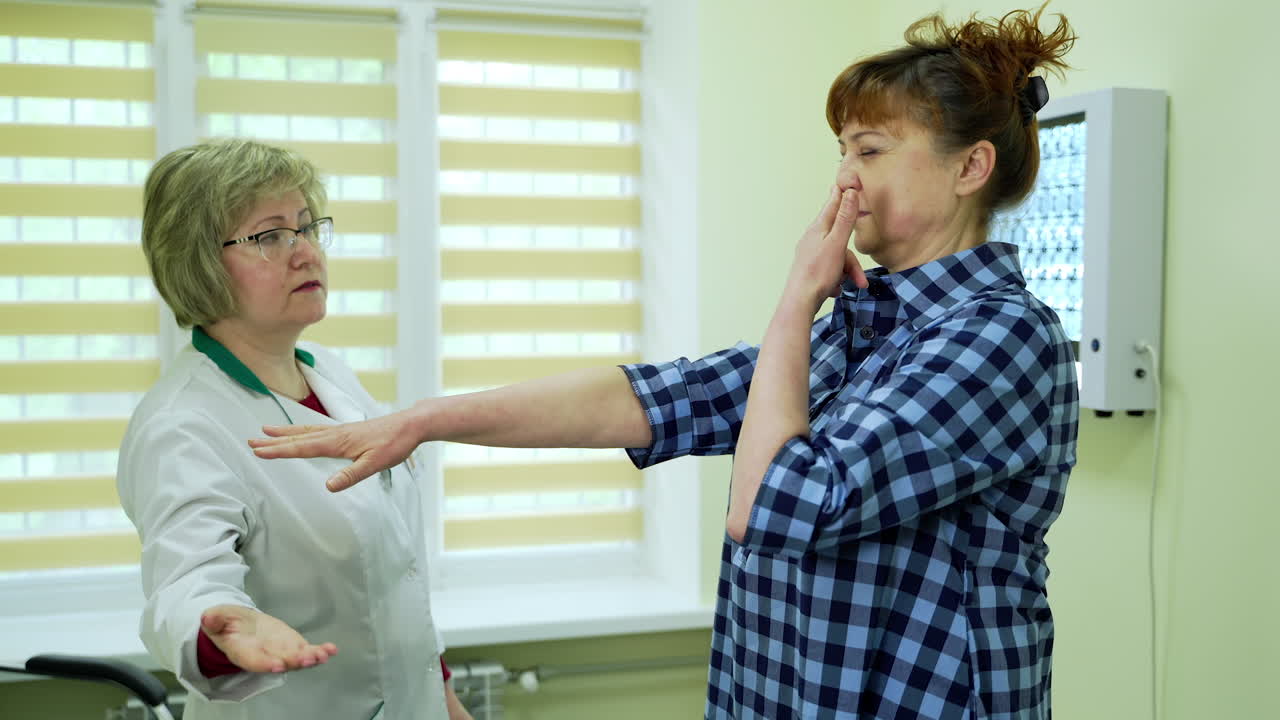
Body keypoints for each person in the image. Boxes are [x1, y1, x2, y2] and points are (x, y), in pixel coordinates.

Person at [251, 6, 1079, 719]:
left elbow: (777, 502)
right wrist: (426, 421)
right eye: (841, 151)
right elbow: (649, 399)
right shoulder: (858, 331)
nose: (842, 180)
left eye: (868, 151)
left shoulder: (1002, 339)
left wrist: (797, 297)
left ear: (971, 167)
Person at [117, 138, 471, 720]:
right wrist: (223, 632)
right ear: (198, 262)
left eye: (306, 227)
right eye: (270, 236)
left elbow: (395, 576)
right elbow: (185, 580)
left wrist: (445, 699)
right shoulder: (181, 427)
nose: (306, 253)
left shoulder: (329, 374)